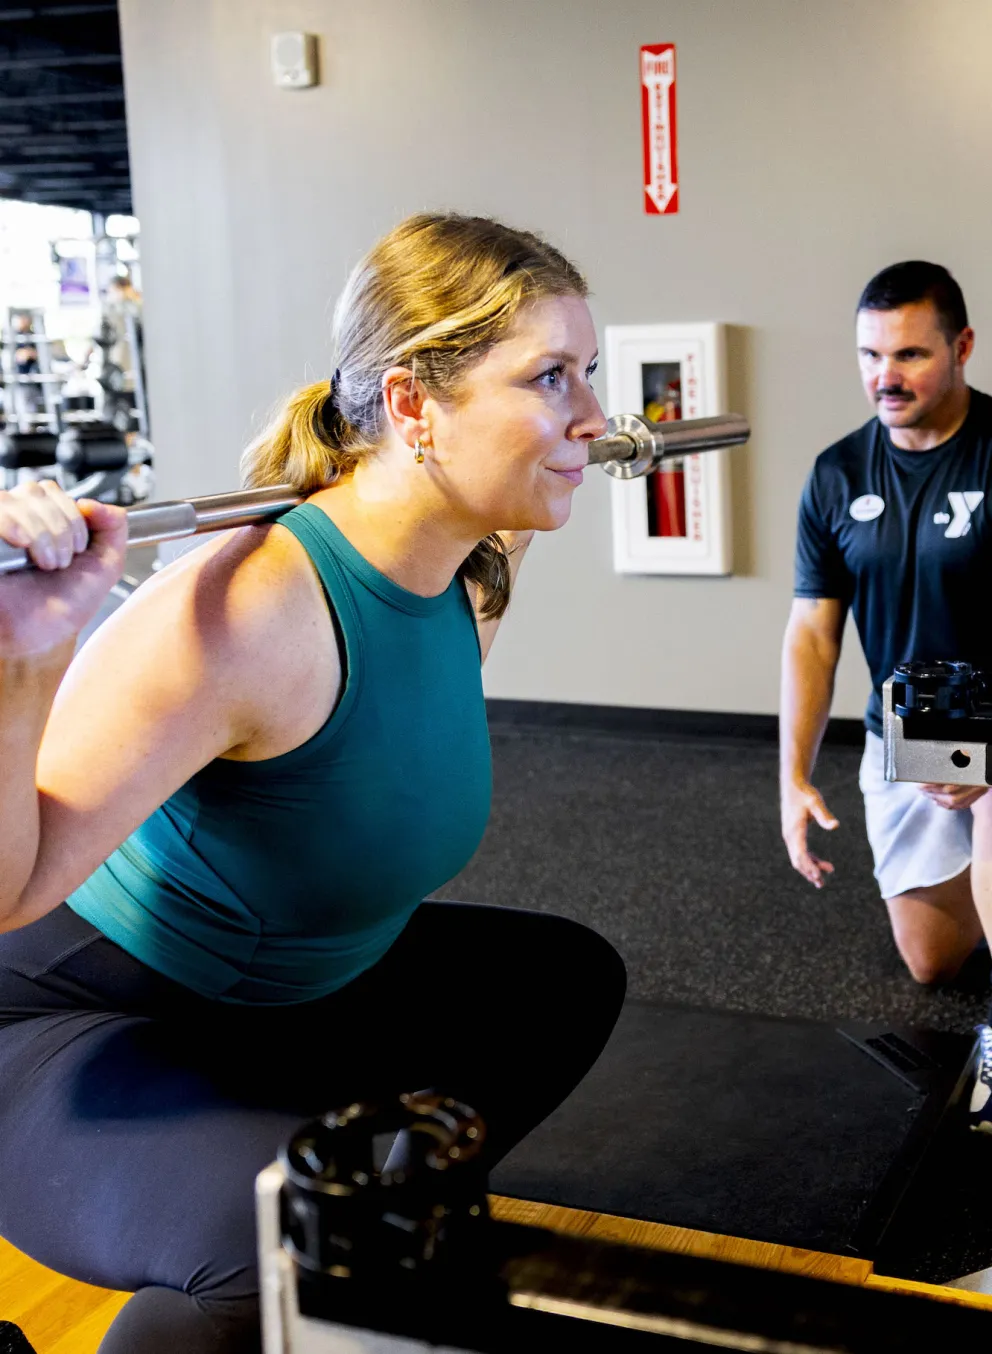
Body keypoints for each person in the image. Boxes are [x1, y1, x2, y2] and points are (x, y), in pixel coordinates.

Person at [0, 213, 627, 1352]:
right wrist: (22, 662)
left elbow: (540, 473)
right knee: (288, 1237)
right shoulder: (242, 614)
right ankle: (235, 1287)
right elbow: (13, 884)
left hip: (277, 1003)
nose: (593, 414)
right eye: (550, 377)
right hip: (70, 1028)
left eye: (591, 372)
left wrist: (562, 440)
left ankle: (363, 1245)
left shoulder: (463, 575)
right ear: (411, 405)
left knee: (559, 984)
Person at [779, 260, 992, 1128]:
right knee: (932, 965)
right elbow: (812, 634)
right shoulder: (836, 474)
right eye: (870, 355)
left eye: (908, 354)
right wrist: (793, 775)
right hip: (903, 733)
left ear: (962, 347)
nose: (884, 377)